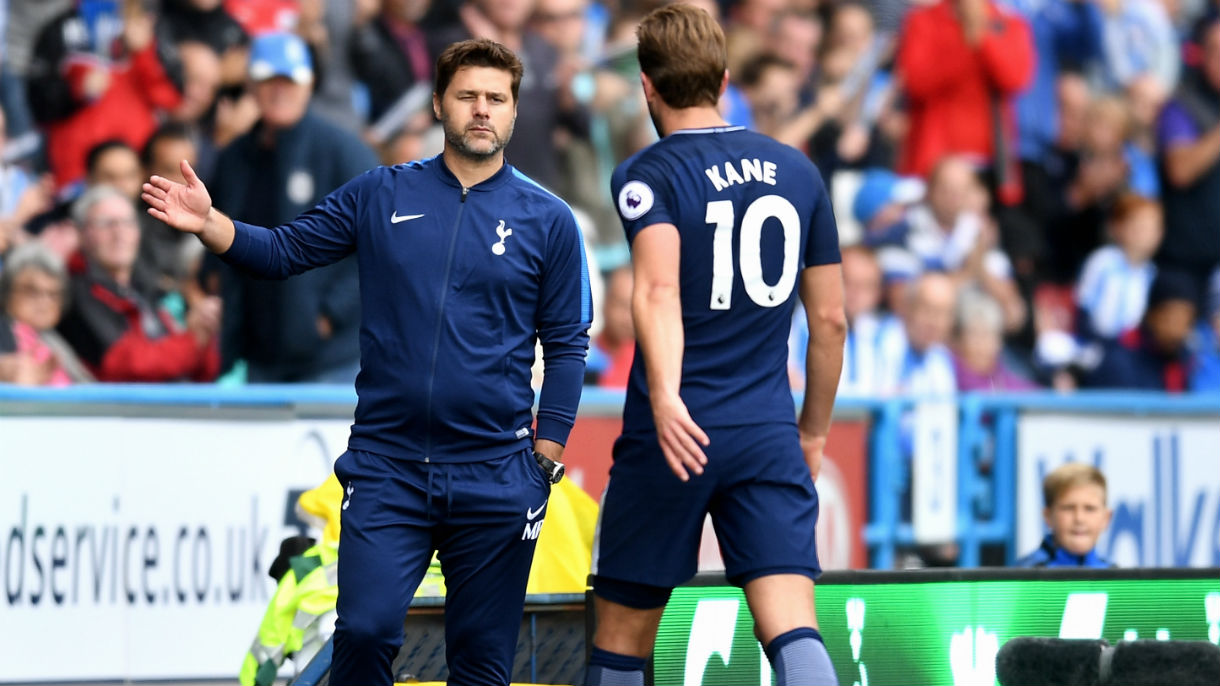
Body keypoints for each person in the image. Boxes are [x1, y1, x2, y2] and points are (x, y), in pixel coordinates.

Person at [143, 38, 592, 686]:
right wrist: (213, 222)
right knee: (364, 630)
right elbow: (282, 251)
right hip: (389, 468)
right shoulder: (382, 193)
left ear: (516, 111)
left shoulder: (549, 220)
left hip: (497, 474)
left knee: (482, 662)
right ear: (439, 103)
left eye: (497, 98)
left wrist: (542, 463)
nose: (482, 110)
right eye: (468, 96)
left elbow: (569, 344)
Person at [586, 6, 846, 686]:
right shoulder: (797, 170)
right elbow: (832, 321)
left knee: (619, 644)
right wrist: (812, 432)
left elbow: (657, 291)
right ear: (726, 80)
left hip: (674, 431)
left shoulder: (648, 175)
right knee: (794, 631)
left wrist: (668, 396)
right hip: (765, 429)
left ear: (647, 87)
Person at [1016, 463, 1114, 568]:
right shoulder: (1024, 576)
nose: (1079, 518)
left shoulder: (1117, 578)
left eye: (1090, 509)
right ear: (1048, 516)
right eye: (1068, 508)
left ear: (1106, 518)